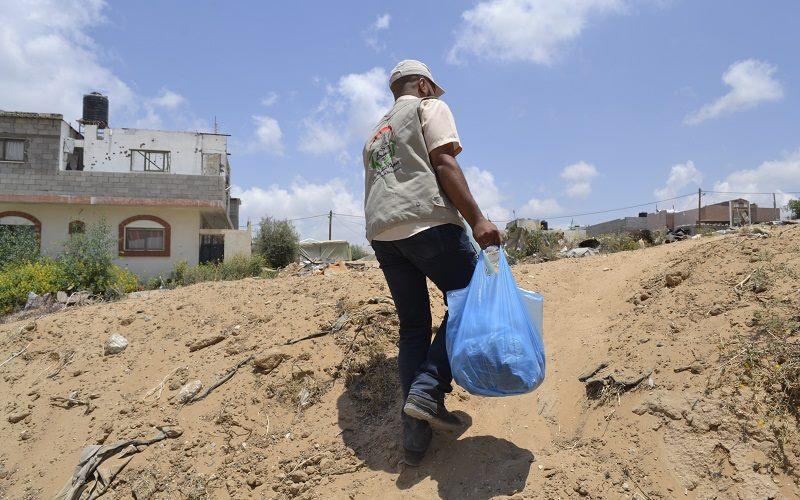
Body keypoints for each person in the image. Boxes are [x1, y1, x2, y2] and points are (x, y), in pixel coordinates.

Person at [362, 59, 502, 466]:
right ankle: (429, 386)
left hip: (384, 233)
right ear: (423, 85)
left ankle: (414, 437)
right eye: (432, 87)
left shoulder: (374, 133)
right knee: (474, 299)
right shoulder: (429, 108)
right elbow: (444, 162)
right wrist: (478, 219)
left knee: (414, 327)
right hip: (428, 222)